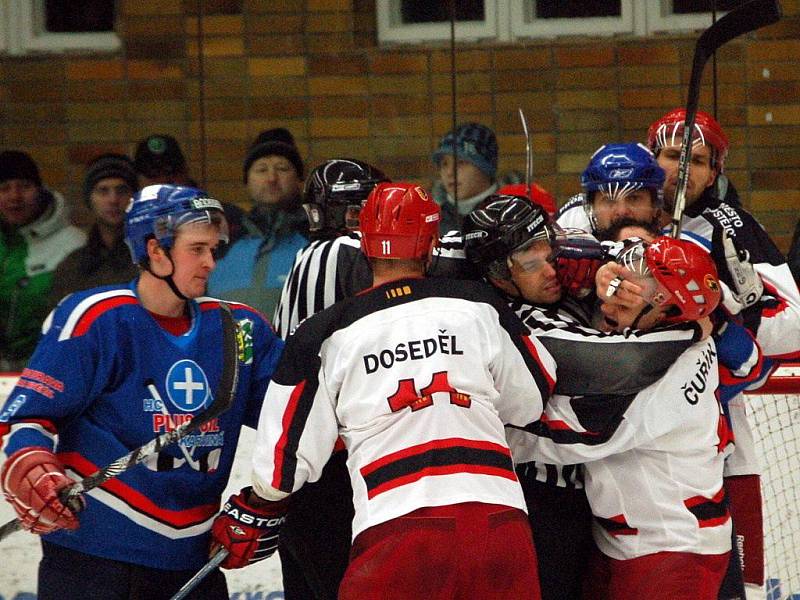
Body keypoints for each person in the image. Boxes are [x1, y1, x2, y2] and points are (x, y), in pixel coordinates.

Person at [211, 182, 557, 600]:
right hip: (498, 524)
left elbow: (282, 460)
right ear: (431, 244)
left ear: (365, 246)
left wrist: (257, 502)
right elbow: (533, 395)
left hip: (396, 531)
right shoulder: (480, 306)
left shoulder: (326, 333)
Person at [0, 184, 284, 600]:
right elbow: (28, 416)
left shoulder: (240, 328)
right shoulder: (97, 317)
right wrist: (33, 467)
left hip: (194, 560)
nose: (210, 262)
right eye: (197, 249)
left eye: (212, 248)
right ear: (156, 250)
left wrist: (265, 506)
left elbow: (293, 427)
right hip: (92, 559)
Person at [462, 194, 716, 599]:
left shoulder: (665, 356)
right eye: (531, 262)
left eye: (550, 250)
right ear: (497, 272)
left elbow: (592, 427)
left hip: (663, 545)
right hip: (563, 516)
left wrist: (606, 266)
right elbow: (620, 360)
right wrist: (688, 323)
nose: (552, 269)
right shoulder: (510, 321)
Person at [528, 236, 766, 600]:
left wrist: (488, 429)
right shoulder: (674, 336)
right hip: (635, 542)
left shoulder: (664, 371)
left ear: (666, 307)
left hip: (672, 551)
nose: (618, 292)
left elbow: (582, 436)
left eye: (636, 288)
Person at [645, 108, 800, 596]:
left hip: (716, 431)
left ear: (716, 172)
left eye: (698, 161)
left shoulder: (727, 225)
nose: (685, 170)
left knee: (735, 584)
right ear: (651, 158)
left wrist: (728, 330)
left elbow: (794, 317)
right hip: (632, 432)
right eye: (673, 156)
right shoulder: (619, 214)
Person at [272, 157, 387, 600]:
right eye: (357, 212)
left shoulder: (303, 259)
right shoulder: (349, 252)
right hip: (339, 460)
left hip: (299, 459)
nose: (365, 223)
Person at [208, 128, 309, 319]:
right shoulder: (223, 242)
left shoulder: (315, 240)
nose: (271, 178)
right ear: (247, 181)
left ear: (299, 180)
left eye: (282, 168)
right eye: (261, 169)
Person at [0, 150, 86, 370]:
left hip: (48, 370)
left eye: (24, 187)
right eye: (4, 188)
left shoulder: (73, 244)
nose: (14, 197)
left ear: (40, 191)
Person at [48, 153, 139, 307]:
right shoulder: (72, 267)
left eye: (121, 190)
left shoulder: (150, 260)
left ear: (134, 197)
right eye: (103, 191)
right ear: (90, 199)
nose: (113, 200)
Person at [134, 133, 248, 251]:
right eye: (153, 174)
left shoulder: (227, 220)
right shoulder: (129, 226)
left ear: (186, 172)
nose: (163, 181)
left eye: (171, 172)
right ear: (138, 180)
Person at [556, 142, 666, 241]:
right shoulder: (569, 235)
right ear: (592, 207)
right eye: (609, 200)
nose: (622, 212)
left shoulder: (678, 252)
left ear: (654, 206)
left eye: (634, 198)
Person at [431, 122, 501, 233]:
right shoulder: (432, 220)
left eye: (461, 162)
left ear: (485, 168)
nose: (450, 172)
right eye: (444, 164)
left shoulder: (511, 216)